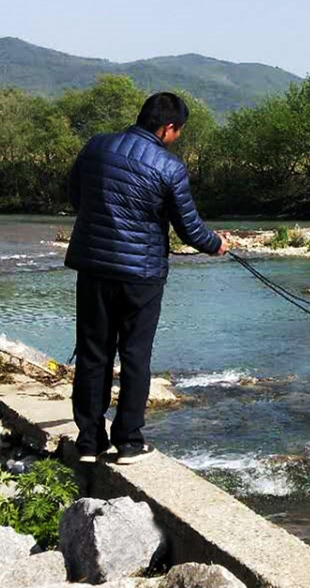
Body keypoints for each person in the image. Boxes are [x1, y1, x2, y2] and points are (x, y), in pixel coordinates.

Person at [66, 92, 228, 465]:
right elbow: (188, 229)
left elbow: (76, 195)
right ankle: (128, 442)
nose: (177, 139)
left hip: (93, 267)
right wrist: (216, 245)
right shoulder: (168, 167)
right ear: (167, 128)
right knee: (135, 355)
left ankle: (89, 442)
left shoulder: (96, 147)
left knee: (93, 353)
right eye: (178, 132)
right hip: (140, 275)